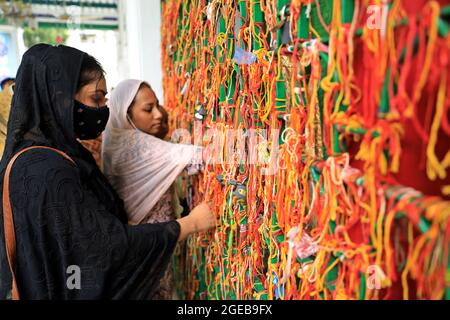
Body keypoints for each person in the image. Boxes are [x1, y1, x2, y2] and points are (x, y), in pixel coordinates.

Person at [0, 44, 215, 300]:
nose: (103, 109)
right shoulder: (48, 169)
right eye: (96, 98)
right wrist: (190, 224)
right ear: (60, 96)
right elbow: (103, 248)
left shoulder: (37, 157)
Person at [102, 80, 204, 299]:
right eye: (148, 109)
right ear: (127, 115)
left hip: (152, 246)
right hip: (150, 248)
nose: (158, 114)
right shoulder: (133, 145)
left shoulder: (118, 143)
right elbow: (200, 156)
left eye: (158, 106)